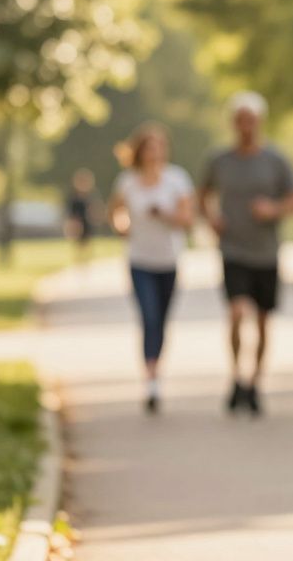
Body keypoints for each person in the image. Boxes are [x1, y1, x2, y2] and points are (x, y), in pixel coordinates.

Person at [199, 92, 293, 416]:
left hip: (266, 252)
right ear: (234, 123)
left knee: (261, 321)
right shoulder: (220, 160)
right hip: (232, 248)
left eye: (251, 120)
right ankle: (235, 377)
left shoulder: (276, 160)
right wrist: (211, 217)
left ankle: (255, 382)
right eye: (240, 120)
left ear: (259, 122)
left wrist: (274, 209)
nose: (246, 126)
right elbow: (202, 194)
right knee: (236, 312)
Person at [107, 123, 195, 414]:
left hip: (168, 261)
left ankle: (156, 368)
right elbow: (115, 213)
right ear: (140, 151)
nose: (155, 152)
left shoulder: (177, 179)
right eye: (149, 146)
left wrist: (165, 214)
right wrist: (123, 227)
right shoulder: (127, 182)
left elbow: (187, 219)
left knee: (162, 321)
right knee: (149, 317)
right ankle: (151, 380)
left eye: (159, 146)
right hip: (139, 260)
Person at [64, 168, 100, 263]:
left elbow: (94, 209)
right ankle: (79, 262)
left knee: (87, 243)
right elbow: (71, 212)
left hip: (87, 222)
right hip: (77, 224)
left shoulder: (89, 196)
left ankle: (86, 262)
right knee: (78, 244)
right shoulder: (74, 197)